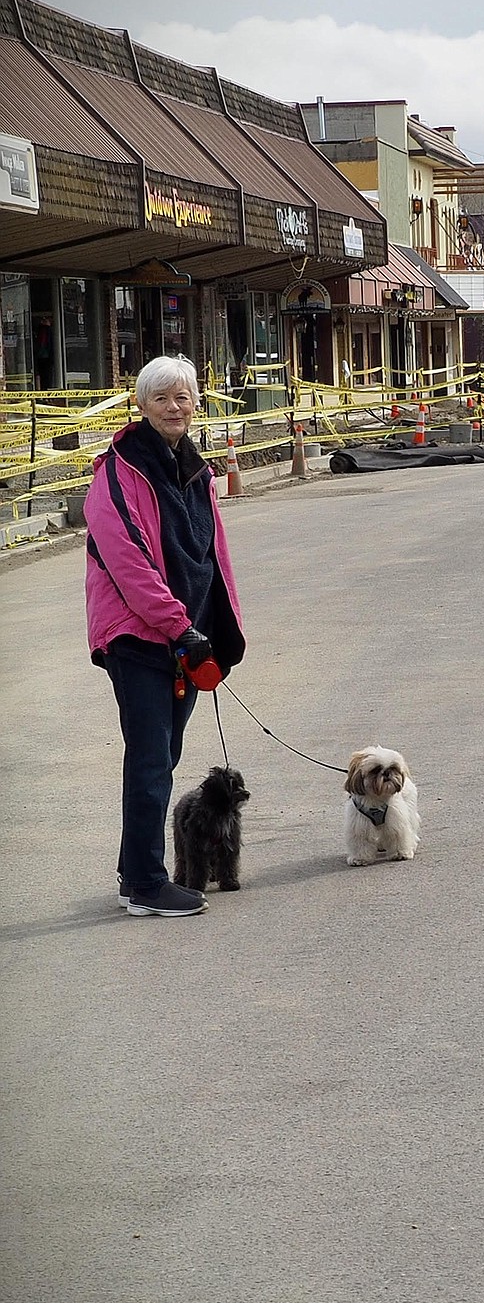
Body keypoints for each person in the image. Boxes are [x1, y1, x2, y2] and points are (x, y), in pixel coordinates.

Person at [85, 356, 245, 917]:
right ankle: (147, 883)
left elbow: (212, 556)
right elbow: (127, 562)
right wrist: (181, 627)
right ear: (141, 405)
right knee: (152, 760)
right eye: (161, 398)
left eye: (183, 397)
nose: (174, 408)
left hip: (184, 639)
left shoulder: (194, 469)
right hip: (139, 637)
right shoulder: (118, 470)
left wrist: (220, 632)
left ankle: (138, 874)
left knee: (165, 756)